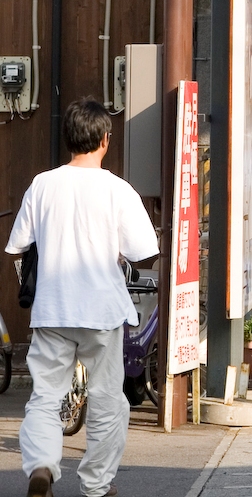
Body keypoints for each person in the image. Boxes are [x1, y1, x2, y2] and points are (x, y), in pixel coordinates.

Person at [7, 99, 158, 497]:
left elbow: (19, 244)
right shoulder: (117, 189)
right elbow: (144, 249)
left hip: (52, 308)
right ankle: (96, 485)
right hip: (102, 311)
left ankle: (41, 466)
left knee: (45, 396)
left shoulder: (42, 184)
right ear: (106, 140)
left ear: (67, 139)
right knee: (108, 401)